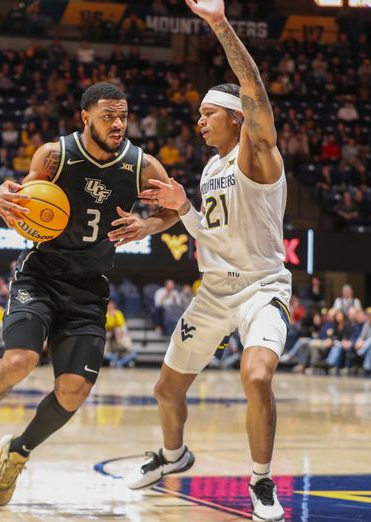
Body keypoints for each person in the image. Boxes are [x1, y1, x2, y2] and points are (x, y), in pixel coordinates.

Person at [0, 82, 179, 507]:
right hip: (40, 276)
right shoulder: (55, 155)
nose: (117, 124)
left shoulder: (142, 166)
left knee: (74, 389)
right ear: (86, 117)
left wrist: (150, 225)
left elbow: (172, 209)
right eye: (108, 115)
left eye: (123, 116)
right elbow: (18, 202)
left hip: (89, 287)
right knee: (19, 361)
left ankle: (16, 453)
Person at [124, 2, 290, 519]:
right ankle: (174, 457)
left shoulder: (256, 151)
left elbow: (254, 87)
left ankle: (261, 482)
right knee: (166, 389)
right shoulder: (210, 169)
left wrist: (219, 24)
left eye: (206, 113)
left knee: (257, 376)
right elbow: (209, 236)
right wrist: (179, 212)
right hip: (214, 291)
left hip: (262, 288)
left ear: (236, 117)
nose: (198, 121)